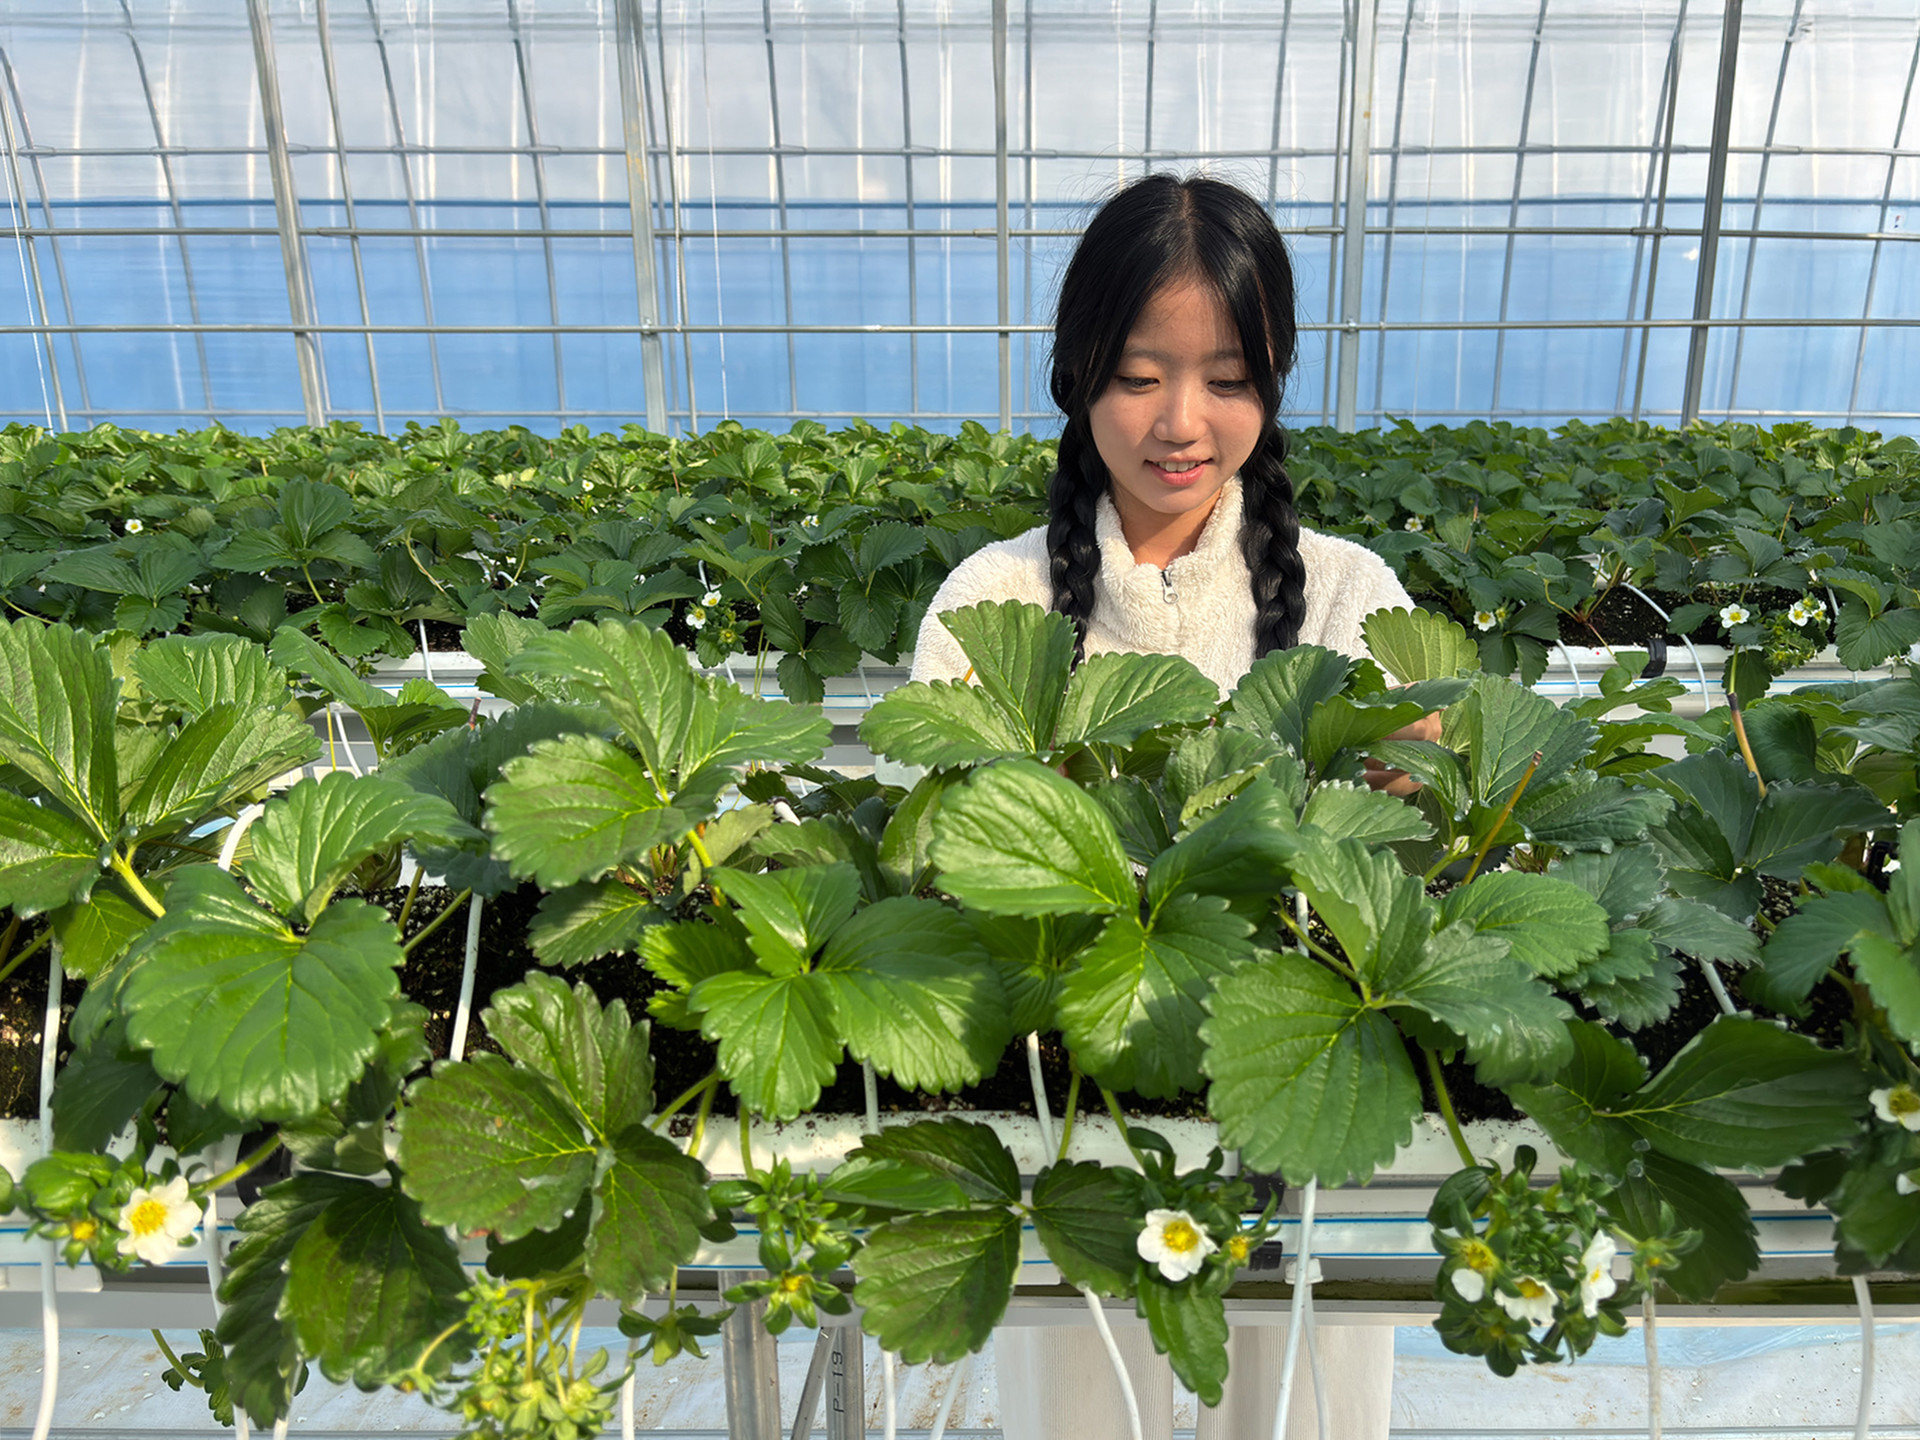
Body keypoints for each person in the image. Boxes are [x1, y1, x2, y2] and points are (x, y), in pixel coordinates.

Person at [903, 173, 1433, 1438]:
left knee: (1305, 1399)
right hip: (1080, 1091)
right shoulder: (995, 603)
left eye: (1228, 378)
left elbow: (1414, 857)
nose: (1181, 422)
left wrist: (1414, 785)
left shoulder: (1351, 596)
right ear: (1077, 373)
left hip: (1302, 1081)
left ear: (1274, 381)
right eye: (1140, 375)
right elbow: (935, 858)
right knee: (1086, 1396)